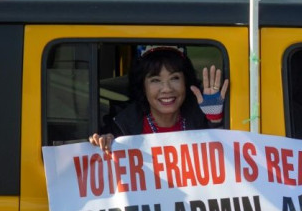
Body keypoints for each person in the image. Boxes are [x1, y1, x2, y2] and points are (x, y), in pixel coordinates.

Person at [89, 46, 229, 151]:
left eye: (174, 78)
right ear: (143, 87)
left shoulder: (200, 119)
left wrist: (215, 121)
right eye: (155, 80)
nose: (167, 88)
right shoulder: (121, 126)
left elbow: (226, 158)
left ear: (186, 82)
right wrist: (105, 142)